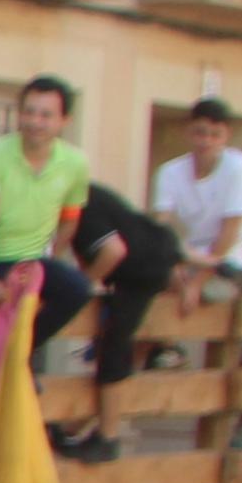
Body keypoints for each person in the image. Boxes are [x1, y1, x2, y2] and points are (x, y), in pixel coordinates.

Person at [0, 74, 99, 450]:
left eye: (45, 115)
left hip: (34, 259)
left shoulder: (74, 162)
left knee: (77, 288)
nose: (35, 122)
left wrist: (54, 254)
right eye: (29, 112)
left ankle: (18, 353)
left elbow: (71, 215)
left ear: (63, 121)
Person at [54, 181, 181, 466]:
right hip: (155, 256)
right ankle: (72, 427)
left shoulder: (80, 207)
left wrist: (81, 286)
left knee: (113, 352)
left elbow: (113, 252)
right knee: (117, 350)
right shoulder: (85, 197)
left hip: (139, 272)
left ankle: (108, 437)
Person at [154, 96, 242, 287]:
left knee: (213, 291)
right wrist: (173, 263)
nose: (206, 141)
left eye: (215, 135)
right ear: (188, 131)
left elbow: (230, 231)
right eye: (200, 133)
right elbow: (162, 225)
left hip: (232, 256)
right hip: (192, 254)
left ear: (227, 135)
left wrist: (198, 282)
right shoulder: (169, 172)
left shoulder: (238, 168)